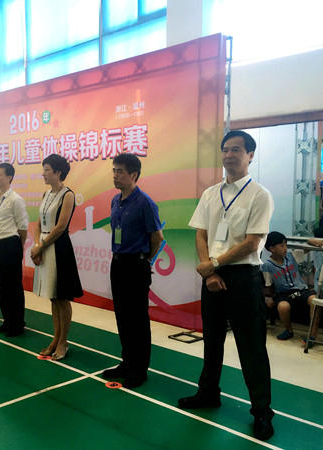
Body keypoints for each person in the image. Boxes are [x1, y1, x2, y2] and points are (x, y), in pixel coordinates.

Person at [178, 130, 275, 441]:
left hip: (244, 278)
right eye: (225, 149)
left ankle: (262, 411)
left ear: (250, 156)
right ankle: (208, 393)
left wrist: (214, 265)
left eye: (236, 150)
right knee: (212, 340)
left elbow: (252, 242)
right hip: (213, 276)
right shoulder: (210, 194)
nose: (229, 155)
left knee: (251, 347)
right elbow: (201, 233)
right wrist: (209, 272)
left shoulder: (259, 195)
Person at [102, 153, 164, 388]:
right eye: (114, 170)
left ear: (134, 174)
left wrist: (145, 260)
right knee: (122, 316)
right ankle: (127, 363)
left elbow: (157, 237)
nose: (115, 175)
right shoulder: (115, 201)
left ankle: (140, 369)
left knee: (137, 319)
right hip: (117, 263)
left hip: (136, 265)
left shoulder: (145, 203)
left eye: (120, 171)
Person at [31, 154, 83, 361]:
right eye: (43, 169)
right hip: (44, 247)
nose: (43, 174)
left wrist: (41, 246)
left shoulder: (67, 195)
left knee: (62, 297)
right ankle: (55, 338)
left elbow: (61, 227)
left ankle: (63, 341)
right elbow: (38, 224)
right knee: (53, 297)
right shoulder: (46, 194)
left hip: (58, 248)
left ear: (58, 172)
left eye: (47, 170)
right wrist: (37, 246)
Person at [0, 163, 29, 337]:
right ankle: (7, 320)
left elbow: (22, 227)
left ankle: (17, 324)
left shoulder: (16, 199)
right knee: (1, 285)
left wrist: (18, 247)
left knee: (13, 287)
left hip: (11, 244)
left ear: (9, 177)